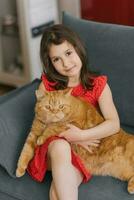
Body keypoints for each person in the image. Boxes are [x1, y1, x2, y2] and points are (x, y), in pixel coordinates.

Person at [28, 24, 120, 200]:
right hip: (53, 147)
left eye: (68, 53)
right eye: (56, 59)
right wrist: (71, 136)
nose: (66, 63)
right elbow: (43, 122)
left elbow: (114, 123)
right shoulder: (47, 86)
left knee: (59, 192)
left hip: (82, 152)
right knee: (61, 147)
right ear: (50, 63)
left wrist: (82, 135)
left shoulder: (98, 85)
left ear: (78, 49)